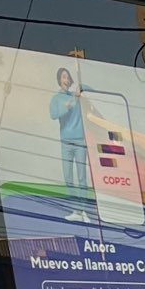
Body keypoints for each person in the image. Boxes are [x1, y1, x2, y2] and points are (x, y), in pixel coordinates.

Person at [48, 66, 90, 216]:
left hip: (80, 141)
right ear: (59, 80)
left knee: (82, 177)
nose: (65, 80)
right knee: (68, 177)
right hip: (66, 142)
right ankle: (75, 210)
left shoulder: (76, 95)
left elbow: (91, 90)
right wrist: (68, 105)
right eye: (63, 77)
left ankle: (84, 210)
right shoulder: (57, 99)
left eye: (67, 77)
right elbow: (54, 114)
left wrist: (81, 87)